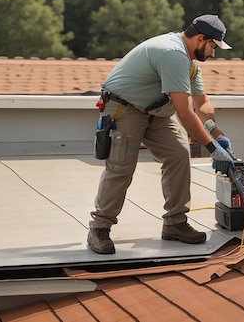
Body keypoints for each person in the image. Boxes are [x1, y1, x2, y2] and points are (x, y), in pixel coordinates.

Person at [88, 14, 235, 254]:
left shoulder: (190, 63)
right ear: (200, 39)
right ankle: (99, 228)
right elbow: (186, 113)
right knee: (121, 167)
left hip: (156, 111)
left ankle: (175, 223)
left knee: (178, 154)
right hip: (125, 108)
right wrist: (212, 149)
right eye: (213, 47)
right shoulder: (173, 54)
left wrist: (216, 134)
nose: (213, 53)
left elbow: (202, 102)